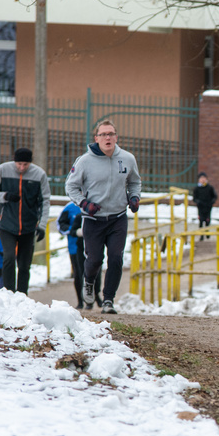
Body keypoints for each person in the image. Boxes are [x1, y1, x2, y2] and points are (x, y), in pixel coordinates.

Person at [65, 120, 142, 314]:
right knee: (95, 260)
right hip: (93, 219)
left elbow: (135, 182)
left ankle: (108, 300)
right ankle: (89, 282)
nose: (108, 138)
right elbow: (71, 186)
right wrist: (84, 203)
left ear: (116, 137)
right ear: (96, 138)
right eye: (104, 134)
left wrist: (134, 197)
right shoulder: (85, 161)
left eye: (111, 134)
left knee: (116, 258)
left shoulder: (127, 158)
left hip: (117, 218)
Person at [0, 147, 51, 294]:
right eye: (19, 164)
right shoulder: (2, 170)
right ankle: (9, 293)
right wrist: (5, 196)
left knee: (24, 264)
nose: (22, 167)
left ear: (30, 163)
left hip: (28, 226)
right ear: (14, 161)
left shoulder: (39, 174)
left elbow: (45, 201)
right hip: (7, 224)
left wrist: (42, 225)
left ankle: (22, 295)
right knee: (8, 257)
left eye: (25, 165)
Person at [58, 201, 102, 310]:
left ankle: (96, 296)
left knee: (95, 272)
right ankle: (80, 301)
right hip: (75, 247)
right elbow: (60, 225)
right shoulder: (70, 208)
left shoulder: (97, 204)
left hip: (93, 247)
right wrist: (75, 231)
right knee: (79, 273)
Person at [192, 172, 218, 240]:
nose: (203, 180)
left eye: (204, 178)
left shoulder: (210, 188)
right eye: (201, 178)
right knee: (201, 220)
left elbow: (214, 196)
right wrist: (198, 202)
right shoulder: (197, 189)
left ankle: (207, 231)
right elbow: (194, 198)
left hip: (208, 207)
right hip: (200, 207)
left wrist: (212, 202)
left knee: (207, 220)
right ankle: (201, 235)